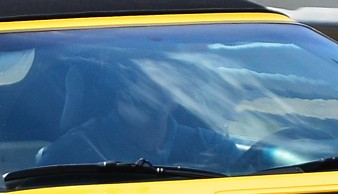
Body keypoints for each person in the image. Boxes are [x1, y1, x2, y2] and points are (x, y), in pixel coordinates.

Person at [36, 57, 241, 172]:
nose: (132, 89)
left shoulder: (212, 148)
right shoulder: (71, 153)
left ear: (173, 98)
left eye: (147, 81)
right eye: (126, 79)